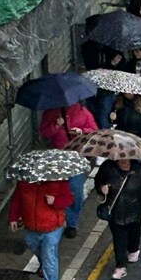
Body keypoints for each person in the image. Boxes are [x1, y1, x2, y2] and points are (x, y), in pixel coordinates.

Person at [38, 101, 98, 238]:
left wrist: (81, 132)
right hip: (57, 157)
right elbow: (44, 132)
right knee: (55, 190)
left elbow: (94, 130)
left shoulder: (83, 112)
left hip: (76, 157)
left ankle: (72, 223)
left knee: (76, 191)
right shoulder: (51, 112)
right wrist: (56, 125)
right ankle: (56, 219)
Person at [9, 179, 73, 280]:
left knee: (49, 255)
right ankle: (45, 266)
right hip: (31, 226)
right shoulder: (24, 182)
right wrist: (13, 217)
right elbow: (17, 199)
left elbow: (68, 200)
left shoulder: (59, 182)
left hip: (52, 227)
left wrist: (55, 201)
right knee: (33, 246)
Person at [95, 157, 141, 280]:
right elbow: (98, 181)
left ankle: (133, 249)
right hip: (116, 212)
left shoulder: (140, 169)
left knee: (134, 234)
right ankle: (121, 266)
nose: (122, 162)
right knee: (119, 240)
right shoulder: (107, 168)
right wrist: (102, 188)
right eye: (119, 159)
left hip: (135, 210)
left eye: (125, 159)